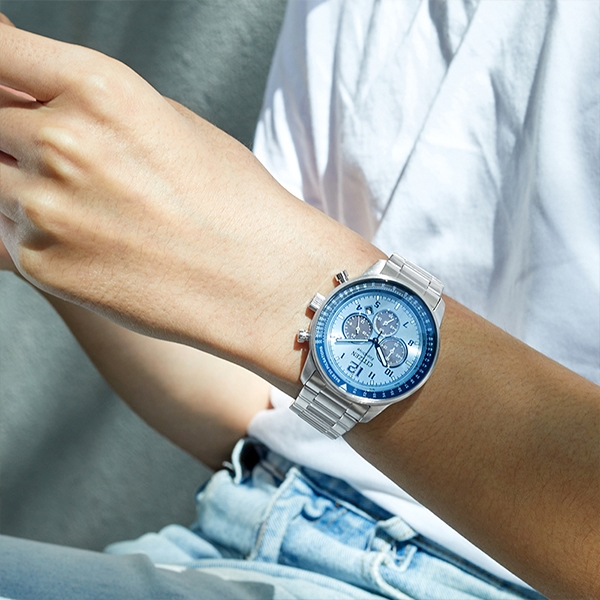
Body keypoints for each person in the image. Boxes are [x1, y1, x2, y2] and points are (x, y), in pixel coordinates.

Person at [0, 1, 598, 599]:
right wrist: (25, 204)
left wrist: (271, 273)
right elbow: (272, 396)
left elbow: (291, 307)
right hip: (249, 517)